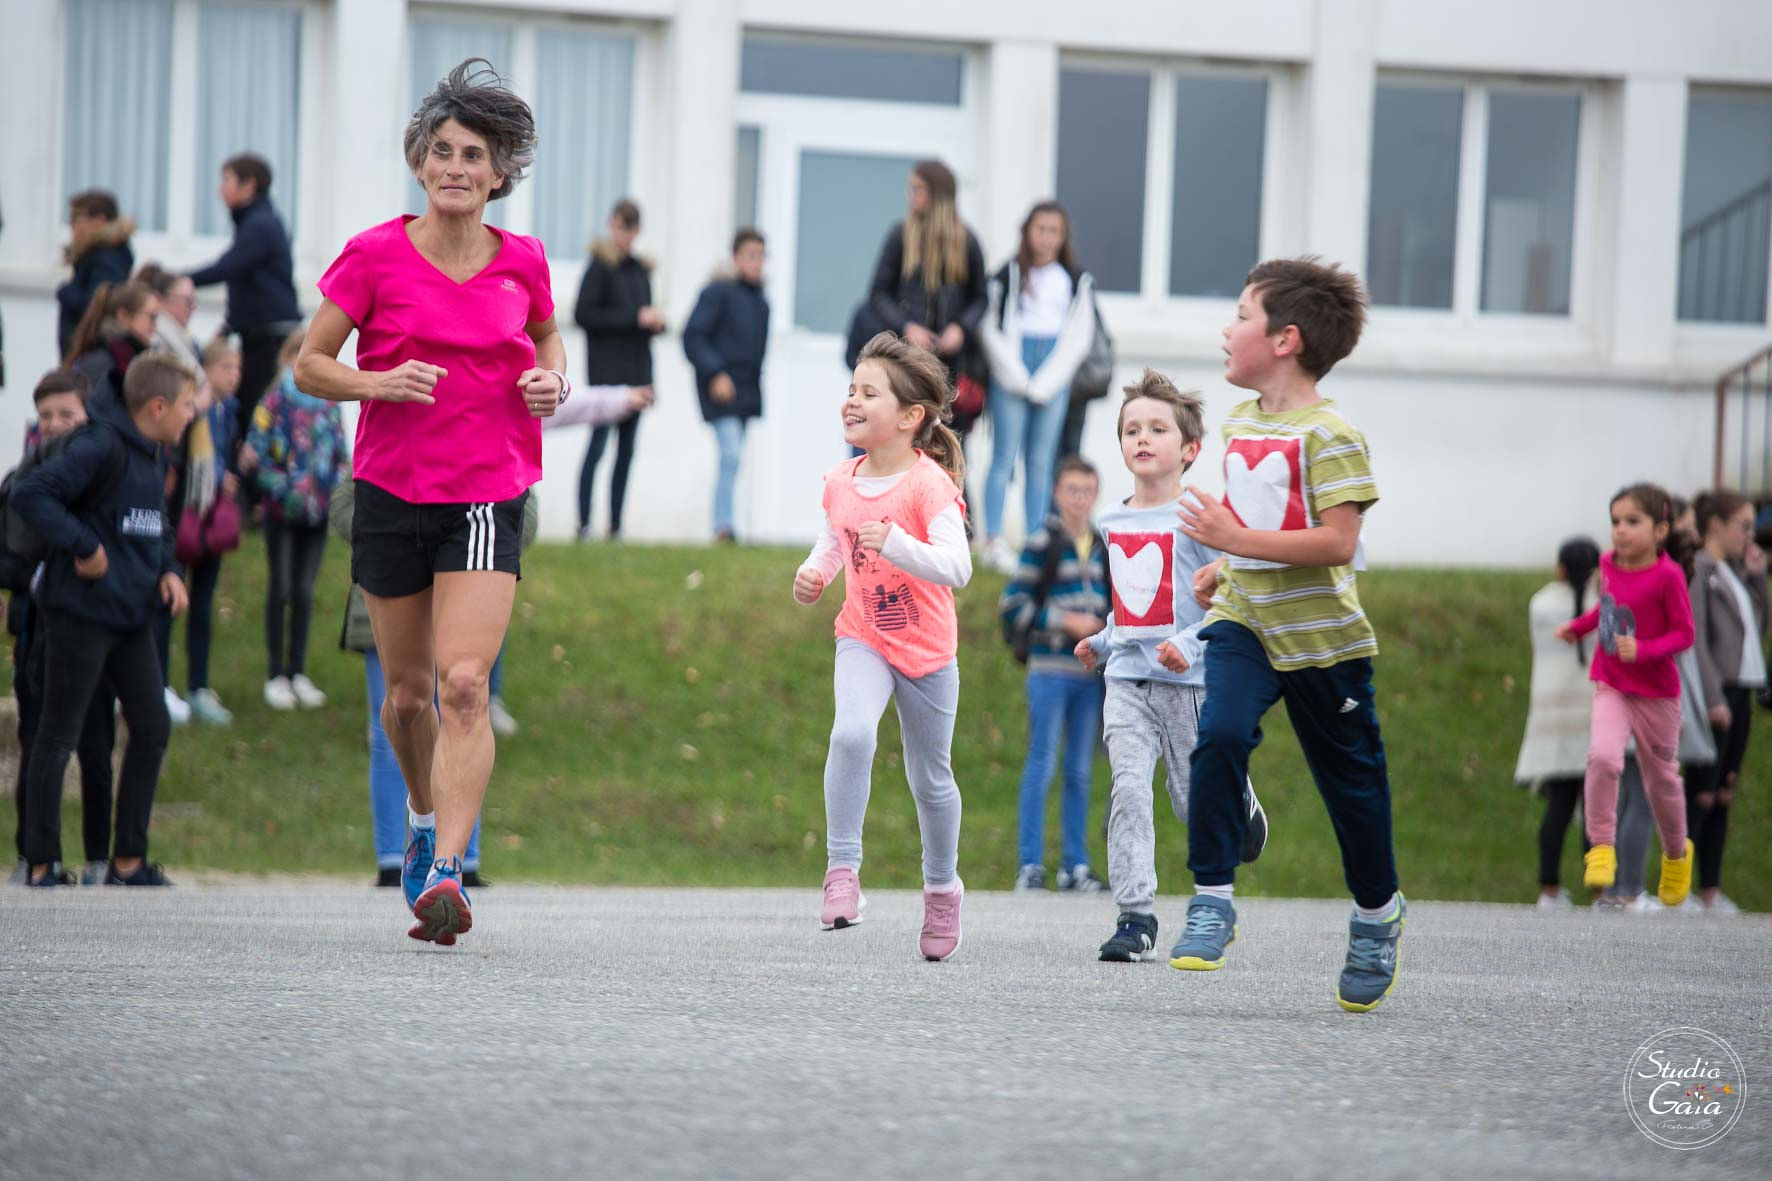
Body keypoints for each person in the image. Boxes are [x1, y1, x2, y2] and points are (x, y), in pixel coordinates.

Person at [293, 58, 565, 944]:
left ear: (499, 173)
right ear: (419, 163)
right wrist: (376, 381)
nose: (455, 166)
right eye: (441, 151)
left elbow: (548, 338)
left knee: (464, 683)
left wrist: (552, 382)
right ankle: (419, 815)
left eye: (473, 154)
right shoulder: (374, 254)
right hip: (391, 491)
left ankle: (446, 868)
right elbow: (309, 365)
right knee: (408, 696)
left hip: (487, 492)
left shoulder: (523, 261)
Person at [1170, 258, 1401, 1012]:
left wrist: (1234, 539)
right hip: (1246, 621)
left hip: (1323, 641)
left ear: (1284, 339)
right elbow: (1256, 526)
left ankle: (1377, 916)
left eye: (1241, 315)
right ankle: (1212, 897)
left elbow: (1337, 541)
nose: (1226, 330)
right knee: (1219, 735)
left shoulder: (1333, 435)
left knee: (1352, 790)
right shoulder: (1239, 423)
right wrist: (1226, 567)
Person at [1076, 375, 1268, 961]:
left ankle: (1238, 798)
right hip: (1126, 682)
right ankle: (1135, 919)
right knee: (1129, 792)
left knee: (1193, 805)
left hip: (1189, 685)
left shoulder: (1201, 518)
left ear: (1189, 449)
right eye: (1131, 430)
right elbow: (1135, 602)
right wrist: (1102, 640)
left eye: (1158, 429)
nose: (1142, 438)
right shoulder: (1111, 521)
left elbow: (1230, 598)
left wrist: (1190, 643)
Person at [793, 332, 971, 961]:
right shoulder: (842, 480)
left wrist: (896, 543)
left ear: (909, 416)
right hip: (863, 636)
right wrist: (815, 573)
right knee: (850, 735)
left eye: (869, 393)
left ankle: (941, 890)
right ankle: (842, 871)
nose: (852, 401)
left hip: (927, 651)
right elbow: (835, 539)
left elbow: (958, 567)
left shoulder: (928, 485)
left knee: (931, 780)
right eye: (851, 389)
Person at [13, 353, 194, 887]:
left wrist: (168, 570)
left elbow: (154, 525)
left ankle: (128, 861)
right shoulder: (100, 445)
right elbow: (31, 493)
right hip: (81, 613)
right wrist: (84, 545)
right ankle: (41, 863)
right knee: (58, 734)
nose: (191, 415)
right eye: (186, 405)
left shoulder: (153, 453)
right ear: (157, 406)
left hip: (131, 617)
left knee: (152, 725)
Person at [1555, 483, 1696, 908]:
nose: (1620, 530)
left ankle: (1676, 855)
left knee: (1662, 782)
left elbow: (1684, 633)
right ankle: (1601, 846)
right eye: (1615, 521)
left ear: (1660, 531)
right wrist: (1578, 628)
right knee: (1602, 757)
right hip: (1612, 684)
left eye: (1632, 521)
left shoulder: (1669, 576)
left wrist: (1646, 649)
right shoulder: (1608, 564)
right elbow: (1607, 609)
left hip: (1657, 695)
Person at [5, 369, 119, 886]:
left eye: (66, 414)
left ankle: (99, 857)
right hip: (38, 628)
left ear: (88, 417)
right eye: (46, 415)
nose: (54, 424)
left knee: (96, 743)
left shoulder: (101, 483)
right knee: (38, 738)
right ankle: (33, 855)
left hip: (93, 625)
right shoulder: (23, 480)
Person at [999, 456, 1110, 893]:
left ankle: (1074, 866)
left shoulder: (1103, 544)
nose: (1079, 499)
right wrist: (1067, 621)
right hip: (1048, 671)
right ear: (1057, 493)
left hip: (1090, 677)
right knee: (1041, 764)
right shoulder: (1042, 542)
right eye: (1072, 490)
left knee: (1080, 770)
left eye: (1087, 491)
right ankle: (1029, 865)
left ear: (1095, 494)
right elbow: (1014, 605)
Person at [979, 202, 1097, 572]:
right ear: (1028, 232)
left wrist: (1047, 380)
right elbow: (989, 328)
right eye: (1040, 229)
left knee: (1041, 461)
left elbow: (1080, 337)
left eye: (1053, 231)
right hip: (1012, 372)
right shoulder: (1008, 275)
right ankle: (993, 540)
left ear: (1063, 237)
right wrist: (1016, 375)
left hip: (1053, 374)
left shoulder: (1075, 280)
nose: (1046, 238)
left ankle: (1035, 539)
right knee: (1003, 456)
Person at [866, 162, 987, 520]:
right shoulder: (900, 236)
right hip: (910, 363)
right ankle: (901, 518)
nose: (911, 196)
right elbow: (878, 294)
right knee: (905, 438)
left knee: (951, 443)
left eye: (917, 189)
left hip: (952, 367)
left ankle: (957, 525)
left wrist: (961, 328)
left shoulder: (966, 241)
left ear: (938, 194)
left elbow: (980, 298)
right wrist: (907, 326)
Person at [246, 327, 345, 711]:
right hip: (281, 512)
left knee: (304, 591)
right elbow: (257, 453)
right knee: (282, 587)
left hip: (317, 513)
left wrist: (330, 491)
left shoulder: (330, 403)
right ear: (289, 358)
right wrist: (285, 491)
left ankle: (297, 672)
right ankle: (276, 675)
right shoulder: (273, 401)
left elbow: (340, 453)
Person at [186, 152, 301, 467]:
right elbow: (248, 283)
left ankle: (251, 486)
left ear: (249, 186)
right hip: (260, 335)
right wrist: (228, 326)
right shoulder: (256, 221)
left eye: (227, 180)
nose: (220, 188)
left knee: (254, 415)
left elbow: (230, 266)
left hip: (270, 340)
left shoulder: (260, 224)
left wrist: (181, 281)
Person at [1687, 489, 1767, 913]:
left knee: (1723, 792)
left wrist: (1757, 578)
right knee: (1700, 792)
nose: (1750, 535)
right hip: (1718, 693)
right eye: (1744, 525)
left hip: (1743, 689)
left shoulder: (1735, 572)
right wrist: (1712, 696)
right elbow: (1697, 637)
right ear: (1716, 524)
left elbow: (1757, 628)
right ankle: (1679, 886)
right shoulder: (1702, 570)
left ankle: (1710, 889)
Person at [157, 338, 242, 726]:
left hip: (210, 519)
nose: (234, 376)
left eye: (237, 368)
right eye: (226, 368)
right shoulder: (194, 410)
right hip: (182, 516)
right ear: (205, 371)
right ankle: (160, 684)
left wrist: (229, 476)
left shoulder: (228, 410)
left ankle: (199, 686)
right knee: (169, 599)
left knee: (203, 603)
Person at [1515, 537, 1601, 906]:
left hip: (1552, 719)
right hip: (1592, 717)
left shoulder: (1540, 604)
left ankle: (1548, 889)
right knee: (1595, 811)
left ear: (1560, 568)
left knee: (1558, 808)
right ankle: (1599, 890)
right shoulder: (1602, 605)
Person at [573, 198, 662, 540]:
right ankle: (584, 523)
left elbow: (642, 325)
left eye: (630, 228)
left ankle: (615, 526)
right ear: (611, 225)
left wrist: (653, 324)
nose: (623, 234)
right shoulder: (599, 267)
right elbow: (584, 314)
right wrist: (634, 318)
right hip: (605, 376)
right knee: (597, 448)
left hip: (636, 374)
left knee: (626, 453)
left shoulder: (640, 271)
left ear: (636, 231)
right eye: (619, 226)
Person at [683, 229, 768, 543]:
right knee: (730, 455)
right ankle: (722, 527)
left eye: (761, 256)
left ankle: (727, 524)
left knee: (734, 459)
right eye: (751, 256)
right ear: (736, 257)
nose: (757, 262)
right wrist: (716, 373)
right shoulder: (716, 293)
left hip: (745, 393)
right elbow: (693, 337)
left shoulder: (761, 303)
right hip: (722, 391)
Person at [55, 190, 134, 359]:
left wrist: (66, 292)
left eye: (76, 218)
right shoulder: (100, 254)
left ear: (100, 220)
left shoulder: (107, 257)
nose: (71, 225)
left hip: (89, 355)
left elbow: (98, 304)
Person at [64, 281, 159, 397]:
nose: (155, 325)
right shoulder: (102, 362)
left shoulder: (132, 357)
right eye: (152, 317)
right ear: (123, 316)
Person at [134, 264, 205, 370]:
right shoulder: (156, 337)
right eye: (188, 301)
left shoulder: (184, 338)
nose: (194, 306)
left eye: (194, 300)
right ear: (160, 299)